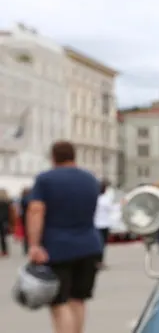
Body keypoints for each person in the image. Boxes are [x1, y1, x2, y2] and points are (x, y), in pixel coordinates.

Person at [26, 140, 103, 333]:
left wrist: (34, 245)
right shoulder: (90, 178)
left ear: (53, 157)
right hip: (89, 245)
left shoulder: (45, 179)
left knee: (59, 302)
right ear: (73, 156)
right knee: (78, 299)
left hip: (57, 248)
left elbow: (36, 210)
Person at [94, 180, 113, 270]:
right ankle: (100, 261)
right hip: (104, 224)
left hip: (95, 224)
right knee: (102, 245)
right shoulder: (106, 199)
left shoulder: (94, 198)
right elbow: (112, 209)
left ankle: (95, 261)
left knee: (96, 244)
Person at [0, 188, 15, 257]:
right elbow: (10, 213)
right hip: (5, 221)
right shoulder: (8, 202)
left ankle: (3, 251)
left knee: (3, 237)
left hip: (2, 221)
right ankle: (5, 251)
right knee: (4, 237)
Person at [19, 187, 31, 255]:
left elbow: (21, 210)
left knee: (26, 235)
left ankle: (26, 249)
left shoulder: (23, 199)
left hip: (24, 218)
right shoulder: (32, 198)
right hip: (31, 218)